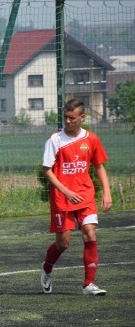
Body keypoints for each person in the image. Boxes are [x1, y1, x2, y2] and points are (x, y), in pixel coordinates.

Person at [40, 98, 112, 296]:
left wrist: (106, 192)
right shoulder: (55, 140)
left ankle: (89, 284)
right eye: (65, 117)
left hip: (85, 196)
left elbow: (99, 166)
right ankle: (46, 268)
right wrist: (66, 192)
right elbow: (47, 171)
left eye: (72, 118)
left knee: (89, 232)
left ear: (82, 117)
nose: (68, 121)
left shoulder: (91, 139)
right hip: (62, 198)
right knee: (63, 243)